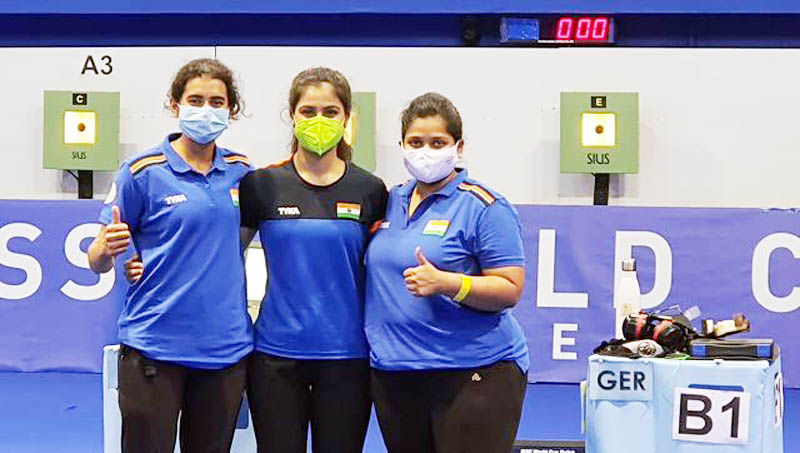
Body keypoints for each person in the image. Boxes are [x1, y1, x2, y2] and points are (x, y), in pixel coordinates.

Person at [88, 58, 253, 453]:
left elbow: (242, 239)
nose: (205, 110)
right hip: (154, 346)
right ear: (174, 105)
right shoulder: (141, 172)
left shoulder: (243, 173)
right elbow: (96, 257)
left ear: (231, 109)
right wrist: (107, 252)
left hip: (224, 350)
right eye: (195, 99)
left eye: (216, 101)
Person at [365, 92, 529, 453]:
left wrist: (448, 283)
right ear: (402, 146)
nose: (425, 151)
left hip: (473, 372)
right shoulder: (389, 200)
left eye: (437, 142)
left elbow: (509, 288)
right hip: (396, 374)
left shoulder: (485, 207)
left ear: (458, 147)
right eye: (416, 142)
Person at [238, 67, 387, 453]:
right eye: (308, 111)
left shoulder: (371, 190)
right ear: (293, 116)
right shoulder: (261, 185)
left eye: (330, 111)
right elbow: (219, 256)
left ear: (347, 117)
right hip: (275, 358)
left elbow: (386, 266)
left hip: (348, 358)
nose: (318, 120)